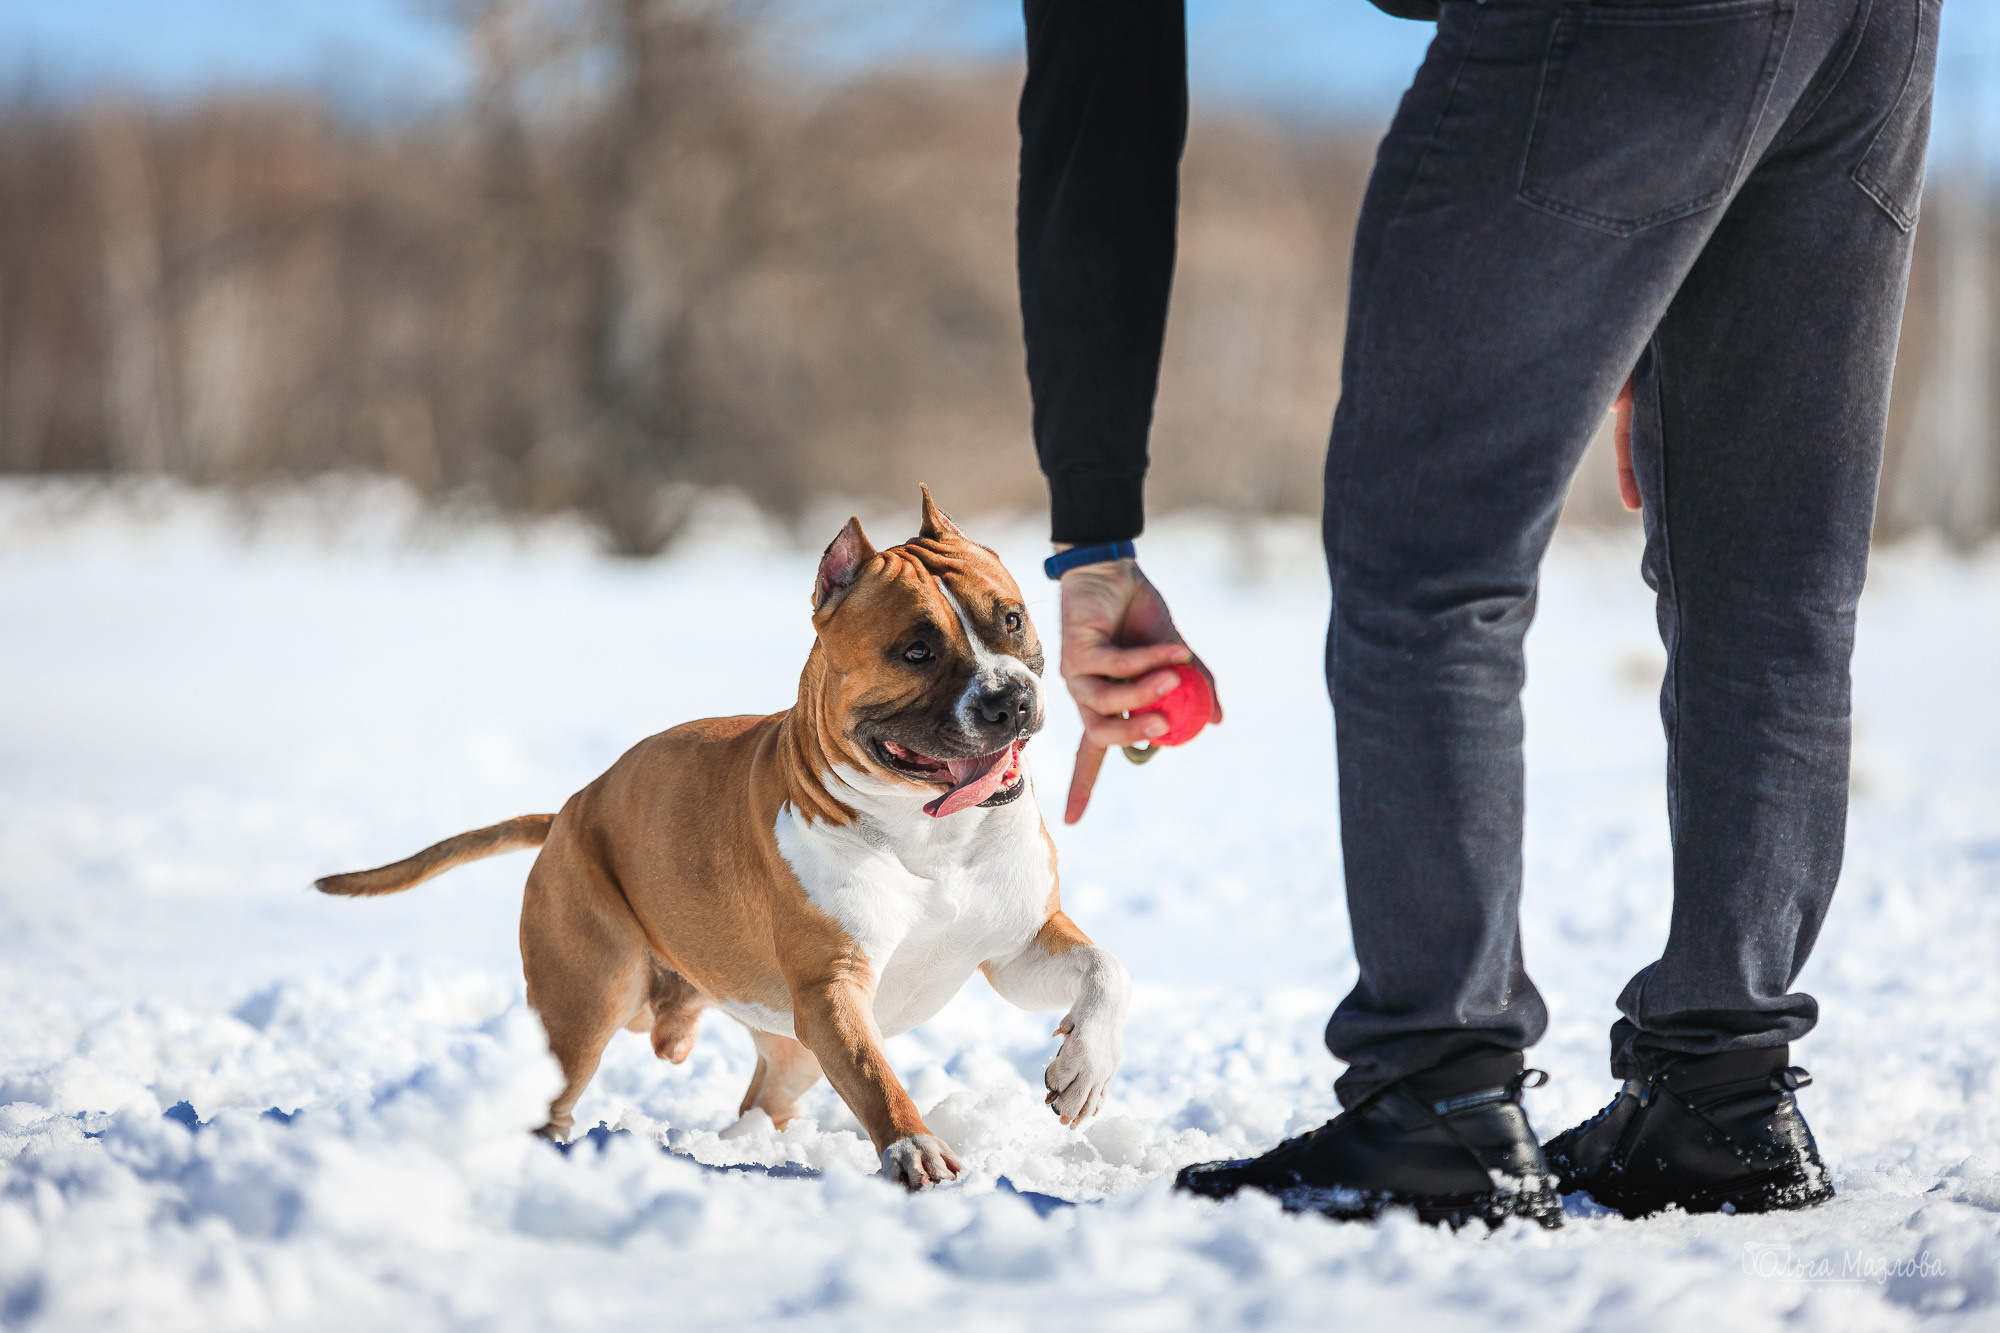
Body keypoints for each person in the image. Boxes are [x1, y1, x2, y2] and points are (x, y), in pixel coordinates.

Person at [1019, 0, 1937, 1227]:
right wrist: (1613, 309)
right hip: (1866, 35)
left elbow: (1099, 118)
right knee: (1769, 586)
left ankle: (1437, 1092)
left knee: (1428, 548)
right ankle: (1718, 1097)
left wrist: (1094, 537)